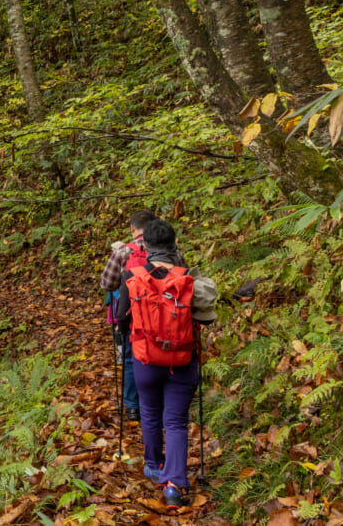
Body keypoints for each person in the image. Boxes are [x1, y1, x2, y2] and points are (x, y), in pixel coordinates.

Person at [115, 219, 213, 508]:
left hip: (145, 358)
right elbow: (202, 318)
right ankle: (174, 486)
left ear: (146, 247)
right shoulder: (187, 278)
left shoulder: (131, 276)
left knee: (149, 412)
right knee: (177, 421)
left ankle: (154, 465)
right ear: (174, 245)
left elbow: (121, 321)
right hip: (182, 359)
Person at [100, 210, 187, 422]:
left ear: (132, 228)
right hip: (169, 314)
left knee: (131, 358)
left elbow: (107, 283)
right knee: (168, 353)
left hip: (135, 315)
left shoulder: (122, 252)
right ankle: (166, 400)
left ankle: (132, 406)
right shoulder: (175, 252)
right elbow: (184, 276)